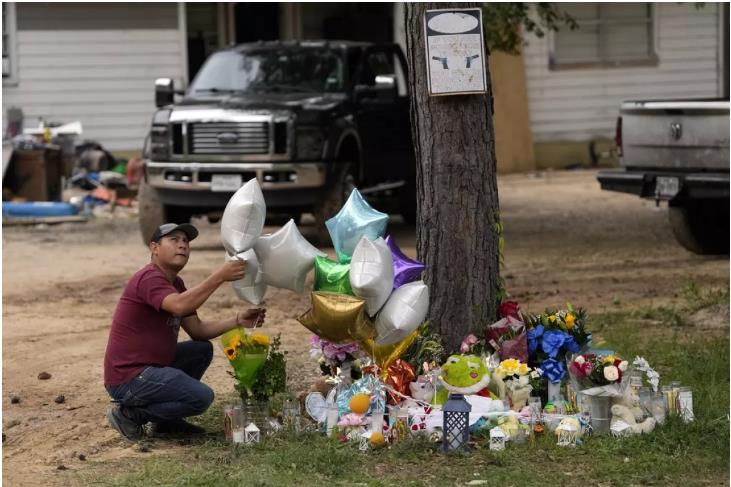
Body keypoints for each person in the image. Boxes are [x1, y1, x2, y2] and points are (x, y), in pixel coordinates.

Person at [103, 222, 265, 441]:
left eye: (185, 241)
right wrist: (219, 276)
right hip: (129, 377)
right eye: (174, 240)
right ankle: (129, 414)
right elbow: (180, 306)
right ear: (154, 248)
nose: (182, 245)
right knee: (201, 397)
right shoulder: (149, 278)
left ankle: (167, 423)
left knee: (200, 349)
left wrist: (237, 320)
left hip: (150, 369)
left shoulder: (175, 283)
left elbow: (198, 330)